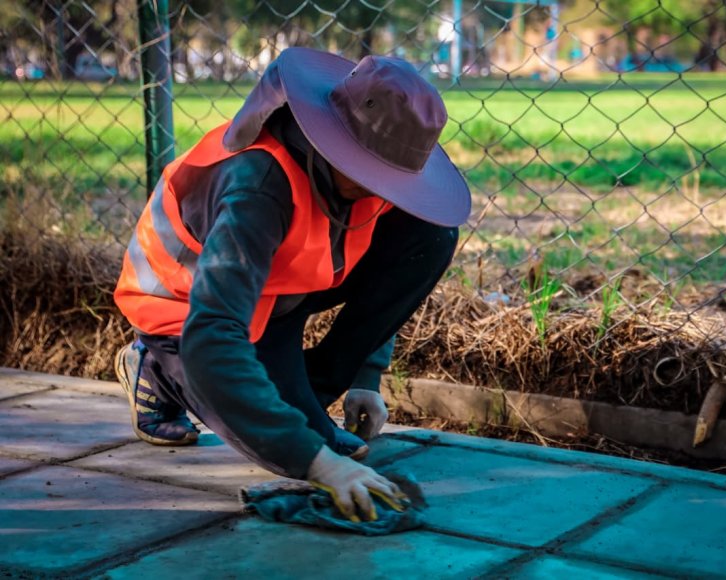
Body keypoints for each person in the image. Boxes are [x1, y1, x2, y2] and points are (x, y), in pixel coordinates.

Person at [112, 47, 471, 522]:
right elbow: (214, 331)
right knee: (298, 448)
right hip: (186, 309)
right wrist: (320, 464)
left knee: (430, 234)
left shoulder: (361, 172)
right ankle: (155, 368)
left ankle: (307, 396)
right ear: (335, 146)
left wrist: (366, 376)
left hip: (278, 291)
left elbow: (383, 248)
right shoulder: (258, 187)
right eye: (377, 179)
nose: (386, 192)